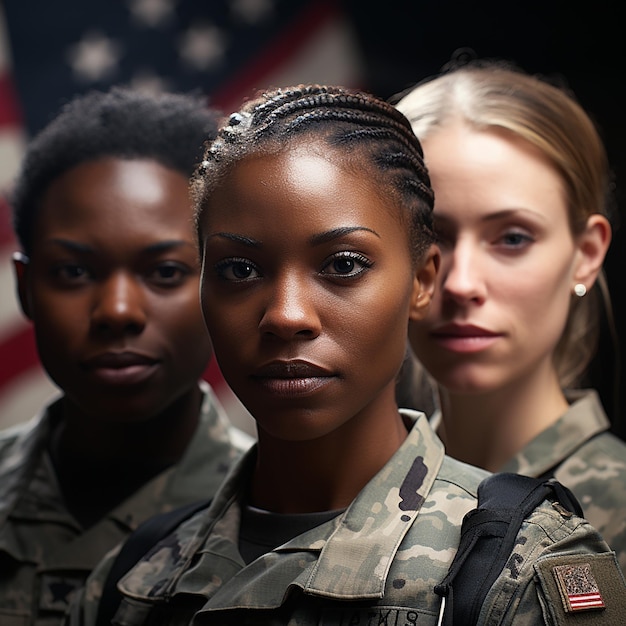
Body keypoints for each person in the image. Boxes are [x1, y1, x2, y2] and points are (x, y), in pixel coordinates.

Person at [67, 83, 625, 626]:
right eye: (239, 269)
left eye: (342, 265)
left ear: (419, 281)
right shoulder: (129, 579)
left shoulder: (523, 572)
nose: (286, 315)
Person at [0, 87, 253, 625]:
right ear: (24, 288)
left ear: (222, 281)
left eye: (165, 272)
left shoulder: (284, 515)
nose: (117, 310)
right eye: (73, 272)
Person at [394, 60, 626, 570]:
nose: (460, 283)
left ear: (586, 253)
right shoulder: (343, 499)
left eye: (513, 238)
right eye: (429, 236)